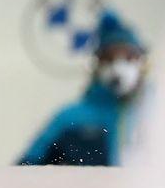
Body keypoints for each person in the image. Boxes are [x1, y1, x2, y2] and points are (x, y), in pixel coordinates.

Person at [18, 10, 149, 166]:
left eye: (129, 57)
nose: (118, 66)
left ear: (143, 63)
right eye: (109, 58)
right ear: (97, 64)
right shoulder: (69, 119)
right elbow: (26, 167)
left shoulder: (154, 115)